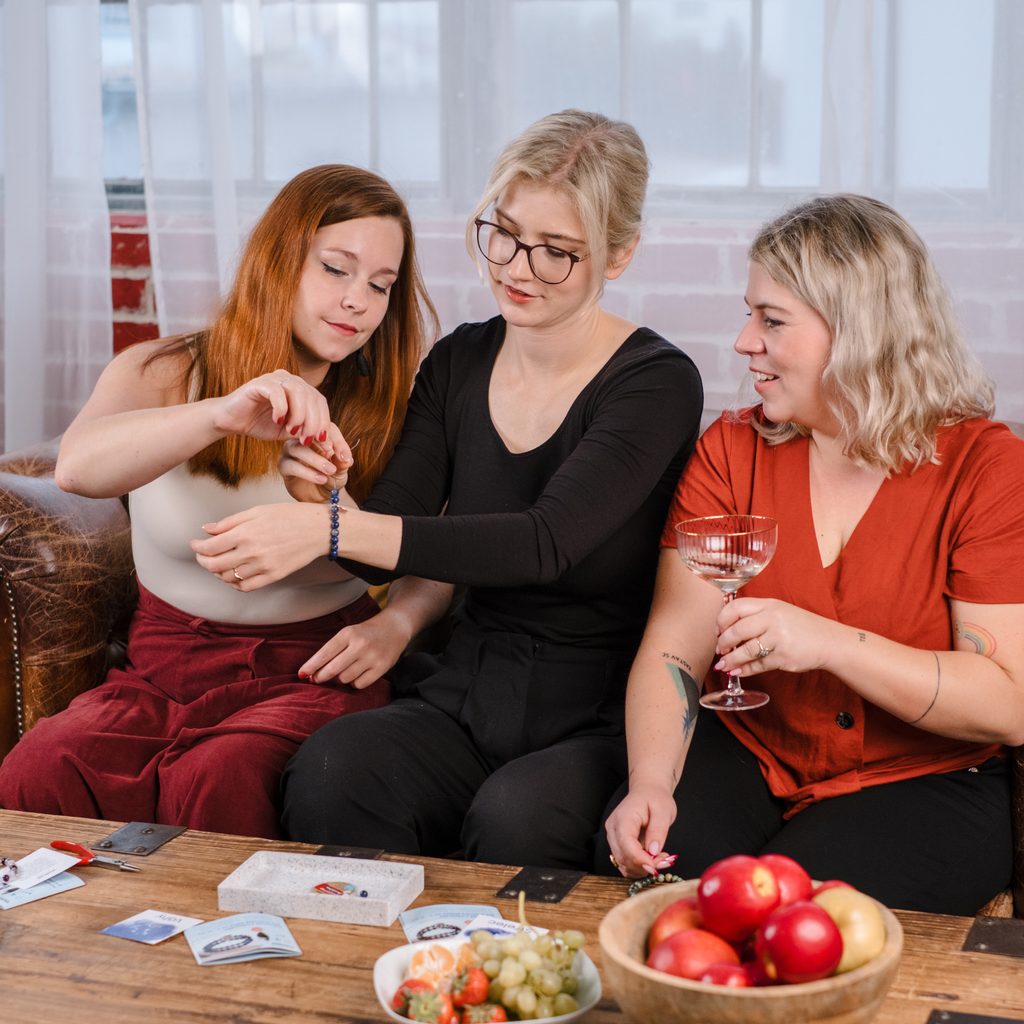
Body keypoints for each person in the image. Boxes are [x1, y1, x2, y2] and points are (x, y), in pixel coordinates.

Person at [190, 109, 704, 869]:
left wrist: (333, 529)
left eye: (557, 252)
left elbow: (545, 543)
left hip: (598, 710)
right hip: (467, 689)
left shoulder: (656, 383)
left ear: (619, 254)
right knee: (333, 772)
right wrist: (323, 492)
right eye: (505, 234)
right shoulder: (459, 360)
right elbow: (383, 542)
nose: (518, 268)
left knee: (515, 821)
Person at [599, 193, 1024, 914]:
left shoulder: (986, 470)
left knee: (785, 917)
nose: (743, 342)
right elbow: (674, 645)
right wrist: (650, 783)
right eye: (749, 315)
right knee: (663, 884)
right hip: (754, 749)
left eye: (771, 320)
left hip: (925, 778)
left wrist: (828, 643)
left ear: (858, 332)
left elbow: (1008, 703)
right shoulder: (732, 449)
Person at [0, 164, 438, 839]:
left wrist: (398, 622)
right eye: (335, 269)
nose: (357, 301)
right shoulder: (165, 371)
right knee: (41, 767)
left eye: (380, 285)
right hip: (161, 671)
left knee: (223, 777)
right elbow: (78, 468)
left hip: (311, 670)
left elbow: (441, 553)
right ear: (277, 261)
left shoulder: (397, 409)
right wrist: (221, 414)